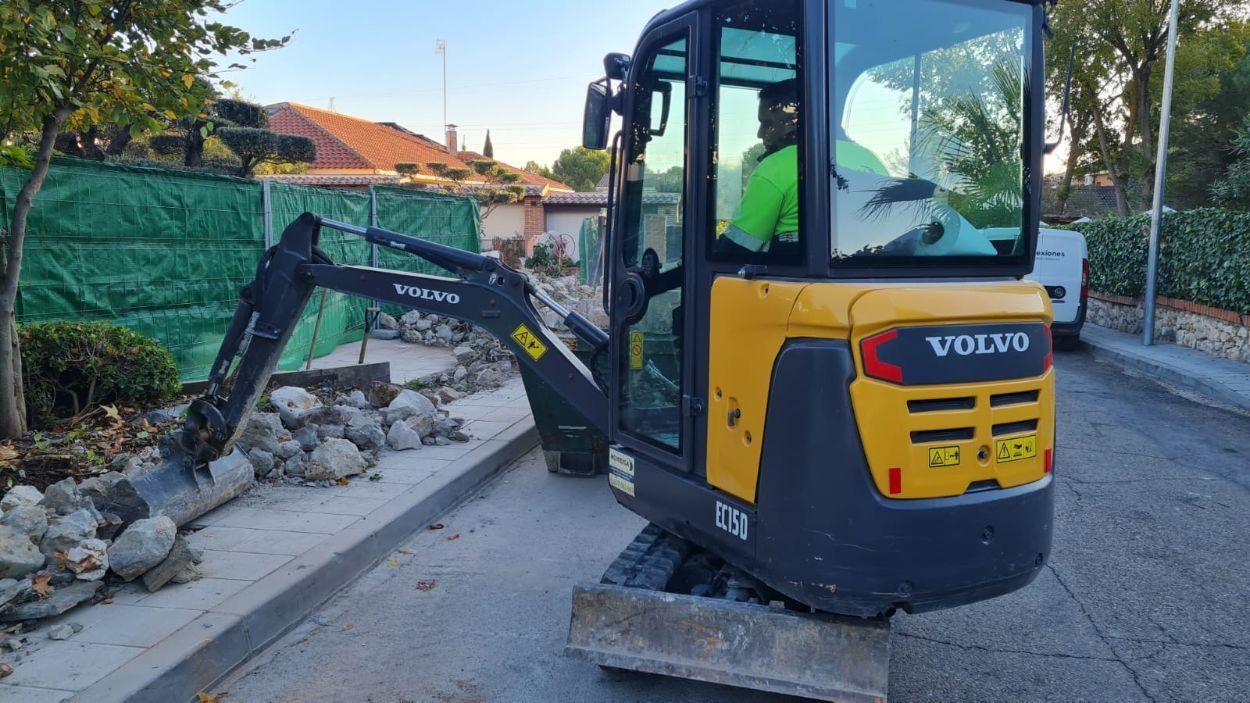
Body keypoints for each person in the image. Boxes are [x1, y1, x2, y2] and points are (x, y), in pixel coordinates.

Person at [720, 79, 801, 255]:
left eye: (767, 124)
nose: (759, 134)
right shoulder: (868, 159)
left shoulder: (776, 168)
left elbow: (732, 252)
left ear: (793, 123)